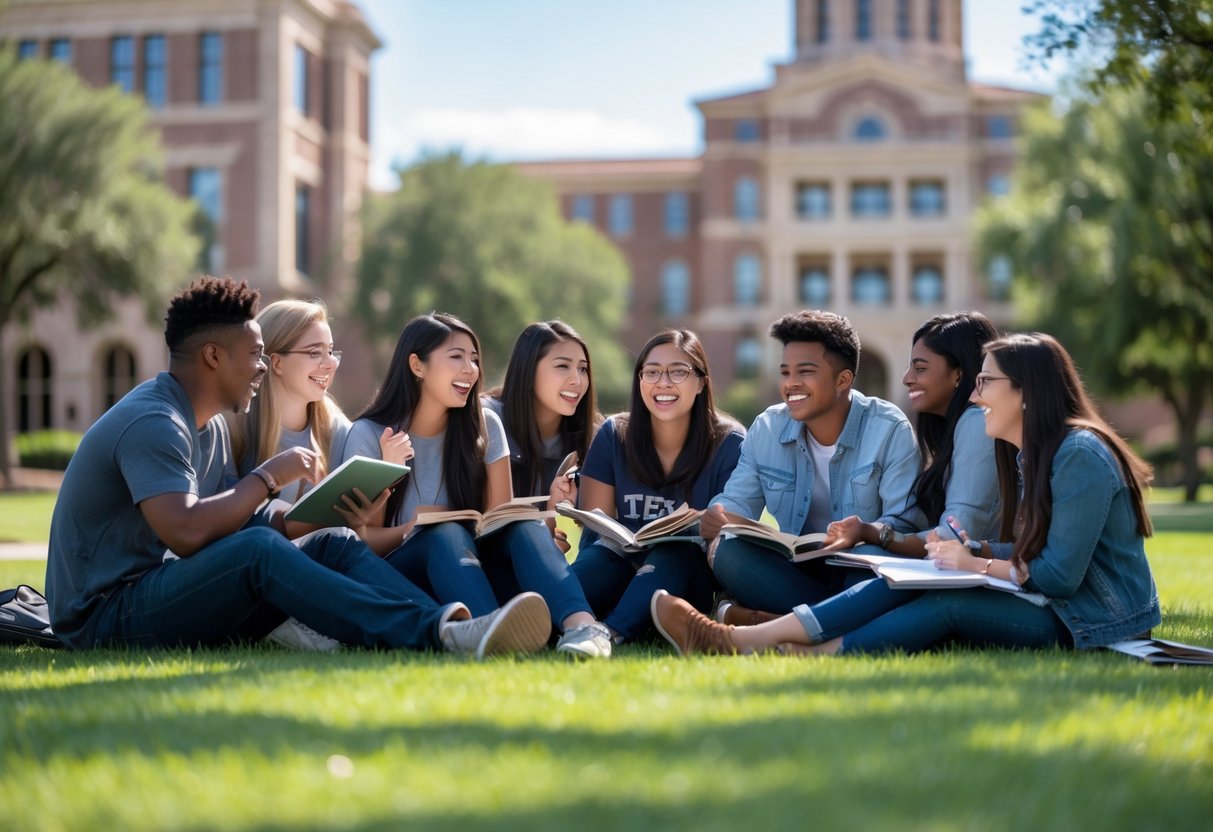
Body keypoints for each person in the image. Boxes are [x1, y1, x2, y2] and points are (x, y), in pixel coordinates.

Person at [44, 276, 551, 659]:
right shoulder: (155, 420)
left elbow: (234, 524)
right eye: (255, 356)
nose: (262, 368)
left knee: (332, 542)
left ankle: (461, 626)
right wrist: (268, 477)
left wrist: (325, 513)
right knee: (259, 551)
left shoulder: (213, 427)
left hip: (157, 592)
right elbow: (186, 531)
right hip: (103, 614)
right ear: (214, 357)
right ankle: (437, 633)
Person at [651, 332, 1162, 657]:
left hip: (1092, 618)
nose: (976, 395)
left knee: (944, 604)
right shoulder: (1042, 453)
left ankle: (771, 643)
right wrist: (975, 552)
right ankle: (764, 639)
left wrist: (974, 564)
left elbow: (1058, 575)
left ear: (1026, 393)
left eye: (986, 383)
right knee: (916, 575)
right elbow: (1037, 554)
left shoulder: (1077, 454)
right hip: (1056, 601)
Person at [701, 310, 921, 616]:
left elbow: (905, 523)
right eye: (785, 372)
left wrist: (864, 532)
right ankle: (835, 617)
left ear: (843, 380)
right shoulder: (767, 428)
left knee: (871, 567)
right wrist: (719, 514)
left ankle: (770, 620)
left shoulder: (889, 429)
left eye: (805, 372)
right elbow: (737, 502)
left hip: (860, 563)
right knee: (728, 552)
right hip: (798, 567)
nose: (790, 384)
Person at [569, 329, 745, 643]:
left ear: (701, 382)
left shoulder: (729, 442)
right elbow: (594, 525)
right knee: (599, 556)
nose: (663, 383)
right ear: (639, 381)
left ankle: (609, 633)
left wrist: (710, 523)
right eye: (651, 372)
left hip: (687, 575)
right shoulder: (614, 434)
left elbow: (734, 529)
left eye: (678, 372)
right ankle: (546, 622)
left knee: (674, 552)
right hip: (619, 563)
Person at [482, 321, 613, 657]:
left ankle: (578, 622)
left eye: (582, 368)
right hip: (483, 564)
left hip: (543, 568)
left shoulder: (591, 435)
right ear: (528, 370)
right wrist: (542, 528)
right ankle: (582, 625)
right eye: (562, 366)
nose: (577, 380)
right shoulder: (486, 420)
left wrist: (558, 512)